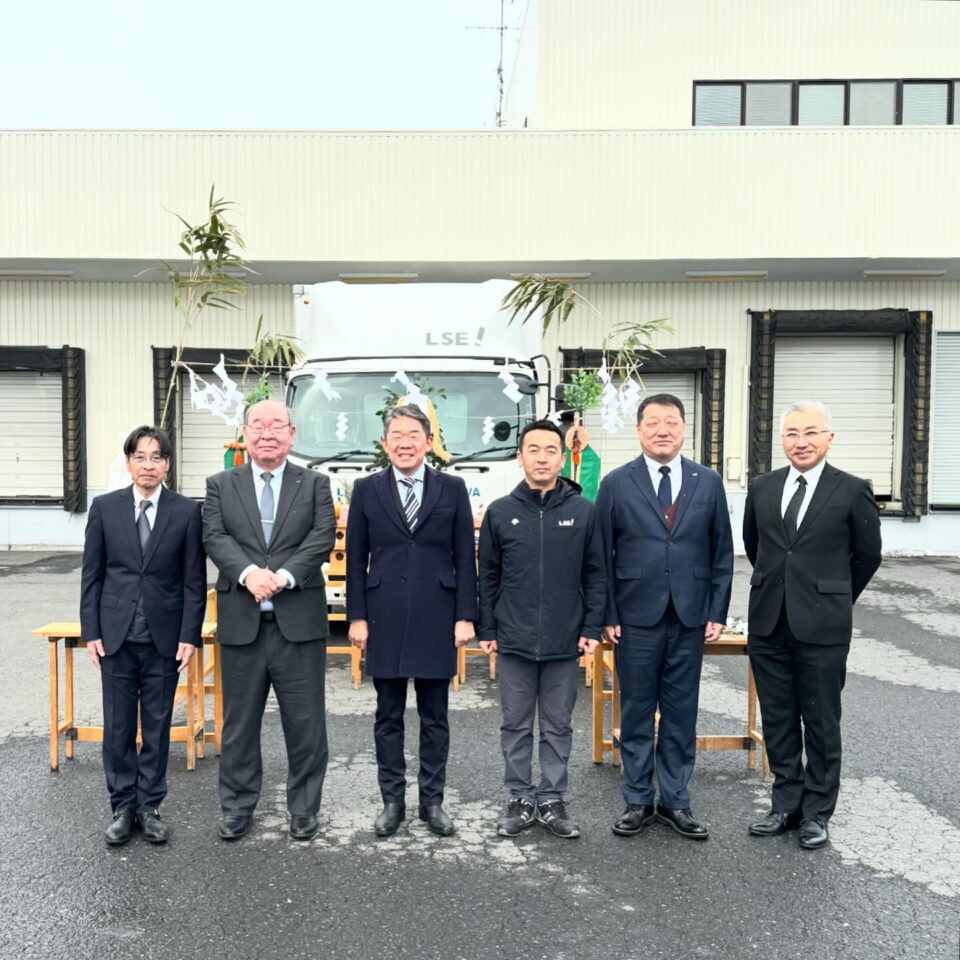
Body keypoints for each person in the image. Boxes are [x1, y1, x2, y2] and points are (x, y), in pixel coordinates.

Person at [743, 400, 881, 851]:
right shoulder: (762, 487)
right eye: (791, 434)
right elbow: (755, 544)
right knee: (779, 718)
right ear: (781, 440)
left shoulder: (852, 489)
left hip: (823, 627)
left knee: (821, 721)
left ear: (828, 438)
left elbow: (867, 556)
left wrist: (832, 596)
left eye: (810, 433)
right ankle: (785, 806)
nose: (800, 442)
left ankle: (818, 813)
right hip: (769, 623)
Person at [596, 393, 733, 841]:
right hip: (634, 616)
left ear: (684, 429)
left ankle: (676, 800)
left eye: (671, 422)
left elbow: (721, 552)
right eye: (652, 422)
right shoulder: (617, 483)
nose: (662, 430)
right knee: (636, 709)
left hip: (690, 615)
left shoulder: (707, 482)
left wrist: (717, 610)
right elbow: (601, 554)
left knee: (680, 711)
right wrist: (608, 612)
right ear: (638, 430)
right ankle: (637, 799)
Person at [203, 399, 336, 842]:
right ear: (244, 433)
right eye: (257, 425)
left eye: (276, 425)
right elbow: (215, 536)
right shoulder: (221, 484)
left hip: (298, 623)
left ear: (292, 434)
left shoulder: (315, 483)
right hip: (242, 622)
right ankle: (238, 807)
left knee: (305, 723)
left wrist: (280, 577)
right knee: (239, 724)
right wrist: (247, 574)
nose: (266, 433)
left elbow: (321, 537)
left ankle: (303, 809)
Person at [346, 404, 477, 838]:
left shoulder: (452, 488)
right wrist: (357, 617)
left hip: (438, 615)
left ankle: (432, 802)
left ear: (428, 442)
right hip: (383, 614)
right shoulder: (365, 489)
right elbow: (355, 560)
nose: (405, 442)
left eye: (413, 435)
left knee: (435, 716)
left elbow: (464, 558)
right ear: (385, 444)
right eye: (396, 435)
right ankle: (392, 801)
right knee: (387, 715)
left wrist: (465, 616)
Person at [478, 420, 605, 839]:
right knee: (515, 724)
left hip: (564, 639)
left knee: (558, 725)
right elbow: (488, 577)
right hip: (513, 638)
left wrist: (591, 626)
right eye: (533, 449)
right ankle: (518, 797)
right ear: (520, 457)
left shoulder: (583, 512)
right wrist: (488, 627)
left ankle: (551, 798)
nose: (542, 457)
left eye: (551, 449)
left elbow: (596, 573)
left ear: (560, 456)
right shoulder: (500, 512)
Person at [80, 425, 206, 846]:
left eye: (156, 457)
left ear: (167, 464)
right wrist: (90, 631)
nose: (148, 464)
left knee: (156, 725)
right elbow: (92, 576)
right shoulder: (105, 508)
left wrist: (190, 634)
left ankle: (150, 806)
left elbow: (193, 580)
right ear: (128, 461)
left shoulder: (186, 512)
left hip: (164, 639)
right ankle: (121, 806)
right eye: (140, 456)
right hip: (115, 638)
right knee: (117, 727)